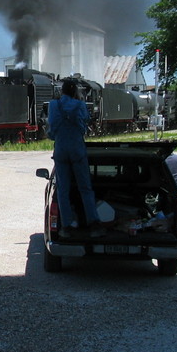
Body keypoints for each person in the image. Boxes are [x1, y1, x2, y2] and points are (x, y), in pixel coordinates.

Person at [47, 79, 102, 238]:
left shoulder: (53, 105)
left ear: (62, 91)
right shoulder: (80, 105)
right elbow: (84, 123)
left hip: (61, 149)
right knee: (85, 188)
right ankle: (93, 223)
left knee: (63, 190)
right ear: (75, 91)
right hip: (77, 149)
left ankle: (67, 225)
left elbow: (51, 128)